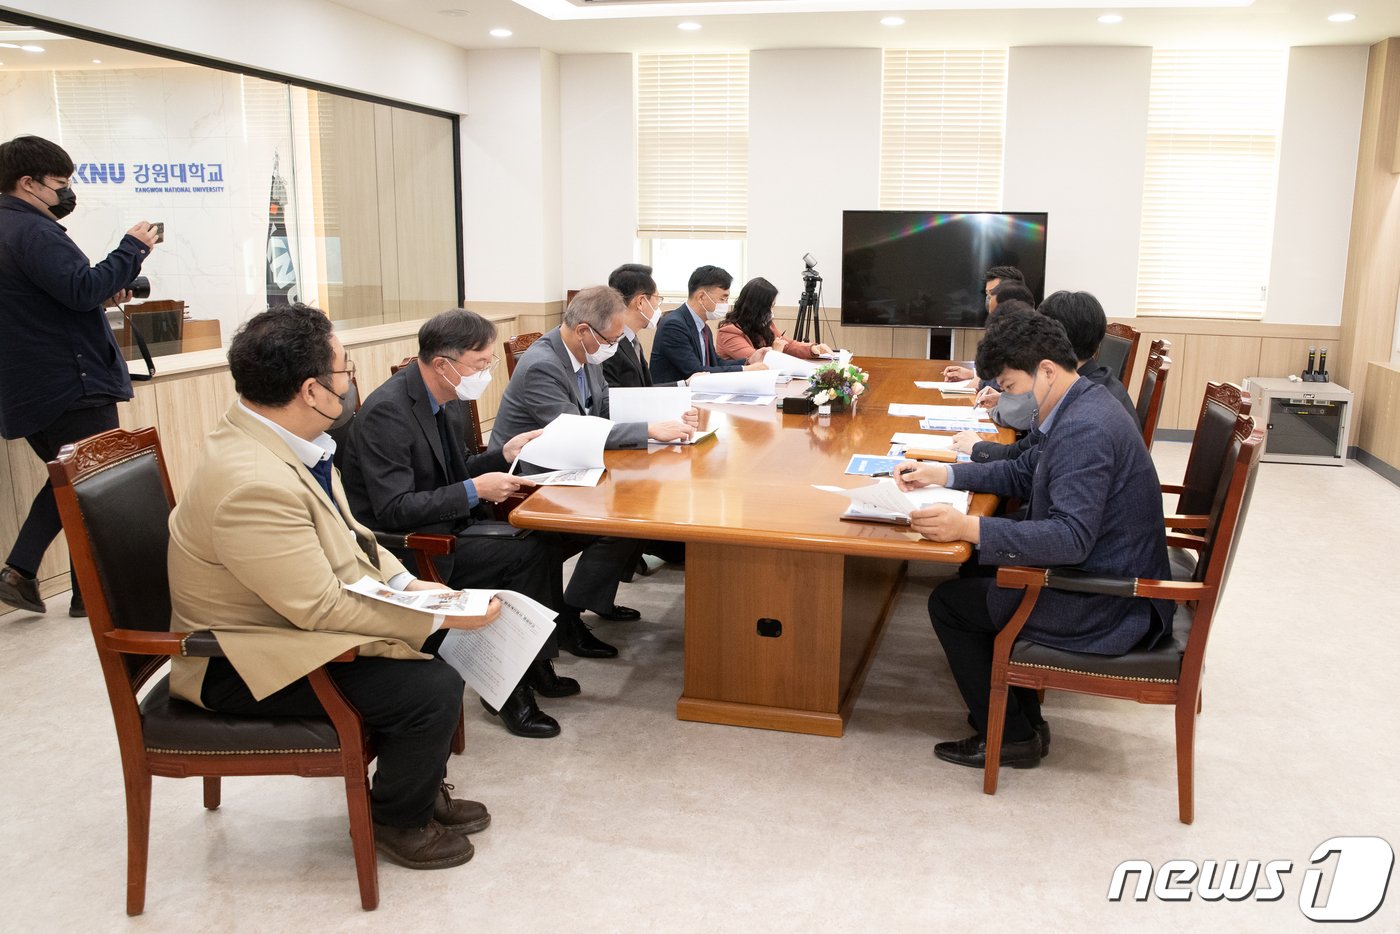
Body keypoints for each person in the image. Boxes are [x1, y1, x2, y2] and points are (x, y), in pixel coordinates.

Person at [168, 304, 498, 870]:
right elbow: (318, 606)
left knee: (434, 647)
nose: (350, 384)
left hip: (281, 624)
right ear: (311, 389)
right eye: (344, 371)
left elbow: (353, 535)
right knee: (430, 686)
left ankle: (416, 790)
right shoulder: (251, 481)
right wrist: (434, 617)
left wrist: (406, 583)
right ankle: (397, 819)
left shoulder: (288, 439)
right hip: (239, 659)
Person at [894, 308, 1172, 770]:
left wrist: (968, 528)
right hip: (1106, 572)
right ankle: (1021, 720)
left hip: (1108, 598)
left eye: (1010, 387)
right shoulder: (1080, 402)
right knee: (980, 570)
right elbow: (1024, 471)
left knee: (950, 604)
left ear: (1045, 370)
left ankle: (1009, 736)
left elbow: (1070, 538)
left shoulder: (1084, 427)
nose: (1010, 398)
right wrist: (943, 471)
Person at [339, 308, 573, 739]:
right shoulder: (388, 412)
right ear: (444, 364)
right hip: (406, 548)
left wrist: (503, 455)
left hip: (442, 525)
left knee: (539, 542)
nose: (485, 374)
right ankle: (505, 689)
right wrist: (475, 491)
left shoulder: (440, 397)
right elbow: (393, 508)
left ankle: (534, 664)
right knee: (524, 554)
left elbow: (455, 469)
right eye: (480, 364)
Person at [489, 285, 696, 657]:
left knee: (641, 499)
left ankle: (593, 599)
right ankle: (567, 618)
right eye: (612, 338)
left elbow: (603, 404)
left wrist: (668, 412)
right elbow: (572, 427)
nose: (614, 345)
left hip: (572, 461)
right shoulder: (542, 365)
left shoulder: (585, 354)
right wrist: (648, 430)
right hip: (530, 477)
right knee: (623, 514)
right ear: (585, 330)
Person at [0, 135, 159, 617]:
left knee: (72, 482)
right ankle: (26, 572)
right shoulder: (33, 231)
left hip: (27, 383)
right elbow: (79, 287)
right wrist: (132, 249)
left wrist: (105, 289)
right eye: (60, 184)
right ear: (28, 183)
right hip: (72, 381)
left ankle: (75, 591)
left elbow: (49, 298)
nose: (66, 194)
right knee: (87, 481)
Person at [951, 290, 1140, 460]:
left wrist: (977, 448)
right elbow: (1028, 457)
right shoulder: (1086, 383)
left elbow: (1027, 465)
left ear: (1057, 336)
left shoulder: (1083, 410)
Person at [649, 265, 771, 385]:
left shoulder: (704, 327)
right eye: (723, 299)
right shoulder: (674, 326)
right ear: (701, 297)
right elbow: (696, 371)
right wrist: (746, 370)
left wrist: (748, 361)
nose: (725, 304)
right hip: (674, 398)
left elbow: (715, 363)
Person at [715, 276, 833, 363]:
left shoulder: (763, 324)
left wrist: (812, 348)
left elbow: (787, 345)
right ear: (756, 308)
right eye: (770, 306)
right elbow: (755, 361)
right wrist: (775, 352)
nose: (771, 311)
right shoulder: (729, 331)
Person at [943, 265, 1027, 383]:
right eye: (987, 295)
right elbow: (999, 370)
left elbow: (1012, 379)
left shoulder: (1025, 329)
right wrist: (972, 373)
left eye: (992, 294)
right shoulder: (1001, 324)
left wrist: (979, 381)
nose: (988, 300)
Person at [601, 263, 664, 389]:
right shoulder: (609, 345)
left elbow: (645, 389)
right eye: (656, 298)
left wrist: (684, 384)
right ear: (640, 302)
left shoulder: (631, 339)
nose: (658, 305)